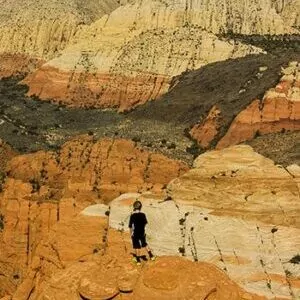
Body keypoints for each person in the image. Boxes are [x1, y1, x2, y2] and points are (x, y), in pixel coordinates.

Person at [129, 200, 155, 265]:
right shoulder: (143, 215)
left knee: (136, 246)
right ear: (140, 207)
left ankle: (138, 261)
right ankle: (151, 256)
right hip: (142, 232)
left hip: (135, 233)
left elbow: (130, 226)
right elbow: (145, 223)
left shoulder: (133, 216)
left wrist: (131, 233)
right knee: (144, 244)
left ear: (134, 207)